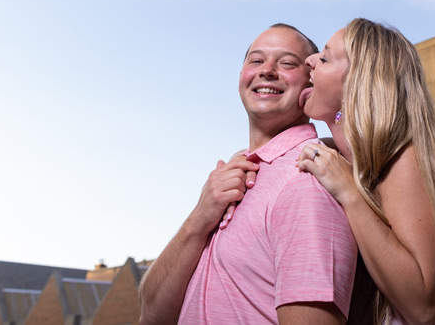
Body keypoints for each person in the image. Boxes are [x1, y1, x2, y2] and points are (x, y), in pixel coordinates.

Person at [138, 23, 359, 325]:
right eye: (256, 60)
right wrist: (198, 220)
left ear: (311, 82)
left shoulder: (309, 178)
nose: (266, 70)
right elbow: (150, 314)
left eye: (287, 63)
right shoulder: (228, 180)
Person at [296, 18, 435, 325]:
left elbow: (423, 308)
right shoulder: (344, 159)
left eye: (325, 57)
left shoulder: (400, 158)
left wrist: (349, 193)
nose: (310, 60)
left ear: (358, 83)